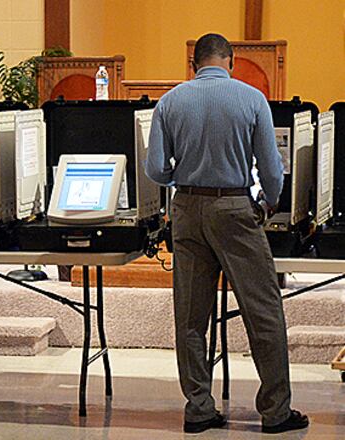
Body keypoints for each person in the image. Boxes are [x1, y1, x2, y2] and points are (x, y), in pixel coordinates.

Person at [145, 33, 308, 434]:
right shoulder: (251, 99)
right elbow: (271, 169)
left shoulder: (170, 101)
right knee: (263, 311)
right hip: (235, 208)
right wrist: (268, 202)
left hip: (186, 208)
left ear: (194, 65)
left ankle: (199, 408)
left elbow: (154, 169)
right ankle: (275, 411)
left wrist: (179, 178)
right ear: (231, 62)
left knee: (189, 316)